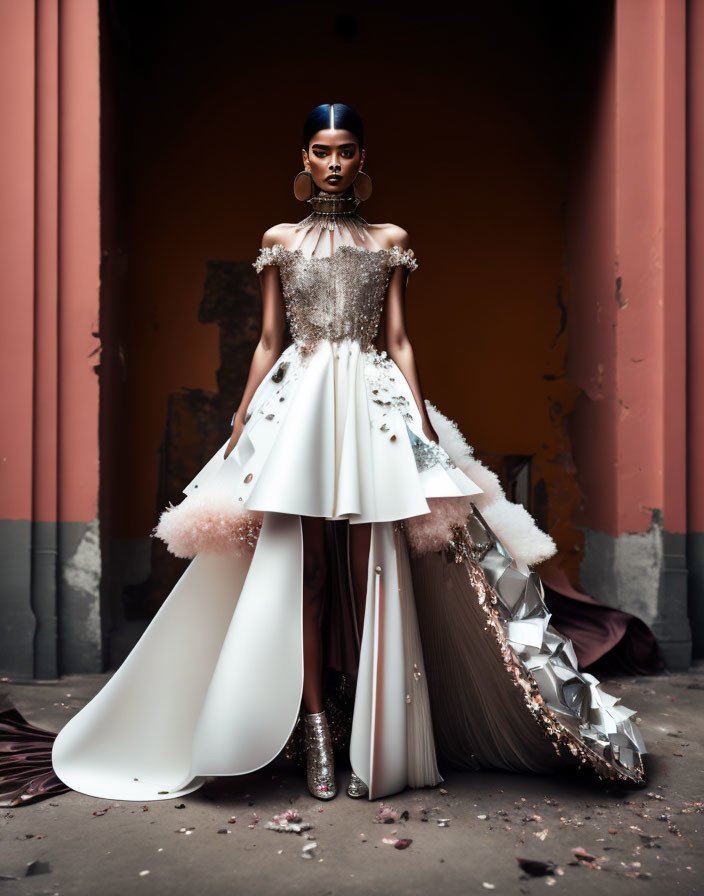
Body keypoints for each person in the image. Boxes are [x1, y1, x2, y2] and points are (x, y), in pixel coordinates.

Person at [50, 103, 646, 804]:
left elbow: (398, 339)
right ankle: (315, 730)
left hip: (372, 404)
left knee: (373, 573)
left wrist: (421, 419)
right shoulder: (279, 239)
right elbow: (270, 339)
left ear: (363, 161)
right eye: (322, 151)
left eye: (346, 151)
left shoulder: (390, 239)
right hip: (298, 407)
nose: (334, 163)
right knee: (300, 575)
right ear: (303, 160)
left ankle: (372, 726)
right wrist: (242, 415)